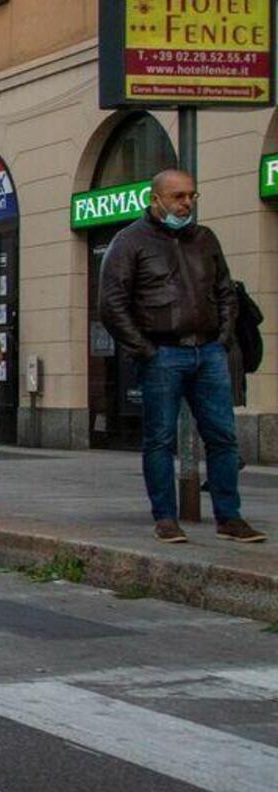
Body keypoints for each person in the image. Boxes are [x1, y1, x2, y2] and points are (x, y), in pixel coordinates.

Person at [100, 167, 263, 544]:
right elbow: (112, 304)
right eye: (178, 196)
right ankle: (166, 518)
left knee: (223, 437)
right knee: (159, 439)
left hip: (207, 351)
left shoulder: (205, 239)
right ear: (155, 199)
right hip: (163, 354)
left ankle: (229, 516)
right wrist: (145, 350)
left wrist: (222, 337)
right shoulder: (130, 242)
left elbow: (225, 292)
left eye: (191, 195)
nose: (186, 203)